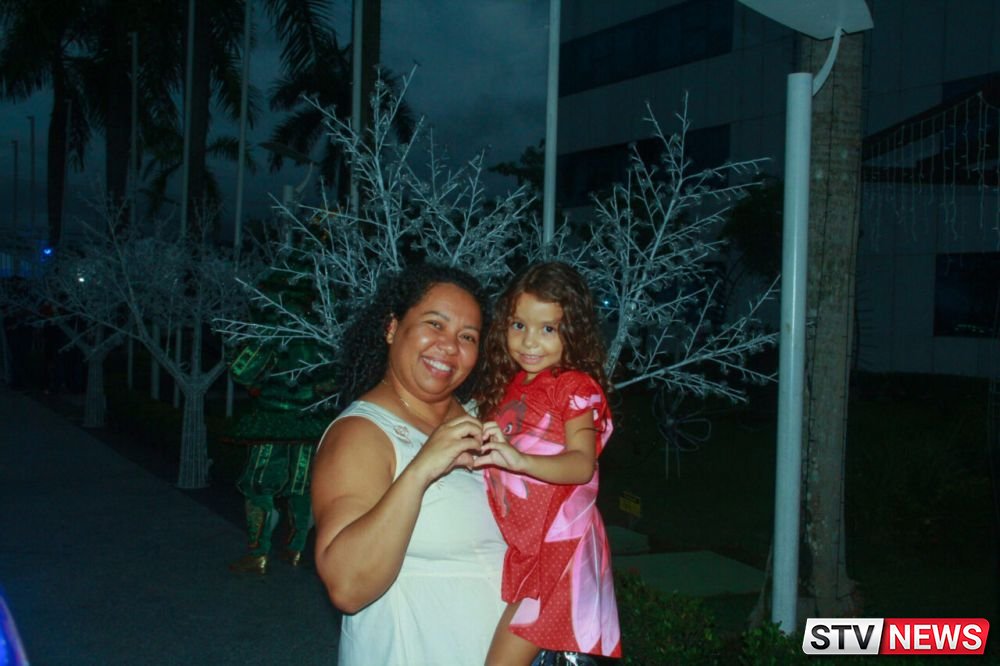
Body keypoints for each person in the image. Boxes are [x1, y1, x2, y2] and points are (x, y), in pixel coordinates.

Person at [311, 264, 507, 666]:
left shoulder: (485, 419)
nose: (449, 346)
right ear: (392, 327)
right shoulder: (360, 434)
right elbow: (347, 587)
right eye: (435, 324)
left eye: (467, 336)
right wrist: (421, 469)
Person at [473, 262, 622, 665]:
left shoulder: (572, 386)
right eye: (519, 325)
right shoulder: (510, 385)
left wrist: (520, 460)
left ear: (573, 332)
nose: (529, 342)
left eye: (548, 329)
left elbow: (582, 464)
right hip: (529, 550)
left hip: (561, 553)